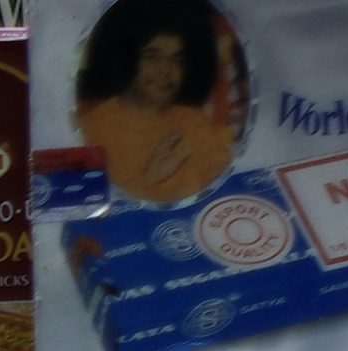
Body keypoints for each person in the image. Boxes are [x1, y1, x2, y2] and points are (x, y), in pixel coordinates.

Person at [75, 0, 236, 205]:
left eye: (176, 60)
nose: (165, 70)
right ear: (129, 60)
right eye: (152, 57)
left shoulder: (195, 121)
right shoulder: (91, 128)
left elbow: (229, 187)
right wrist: (150, 181)